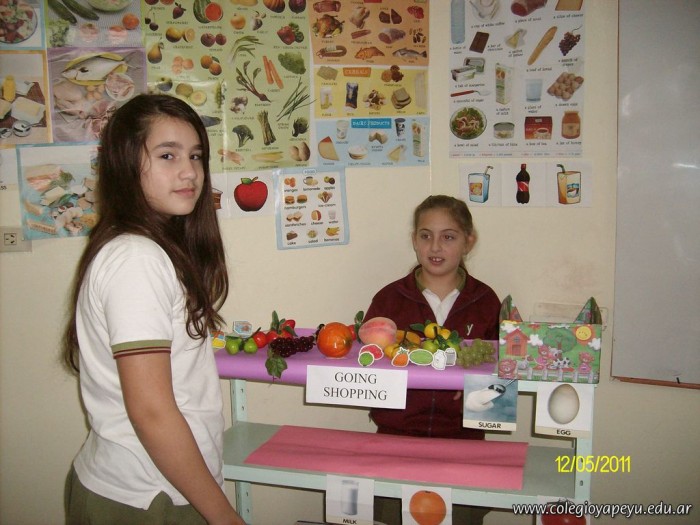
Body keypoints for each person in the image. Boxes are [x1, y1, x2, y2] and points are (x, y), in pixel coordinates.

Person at [62, 94, 244, 525]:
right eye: (167, 155)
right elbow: (152, 413)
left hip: (154, 485)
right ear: (127, 165)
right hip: (148, 495)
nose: (190, 171)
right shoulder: (136, 259)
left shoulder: (150, 250)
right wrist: (225, 517)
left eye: (195, 156)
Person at [365, 195, 500, 525]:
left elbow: (502, 375)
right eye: (426, 235)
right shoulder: (389, 300)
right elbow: (369, 366)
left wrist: (478, 389)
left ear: (469, 241)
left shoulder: (487, 302)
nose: (435, 247)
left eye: (448, 237)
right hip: (397, 440)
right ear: (414, 240)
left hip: (463, 444)